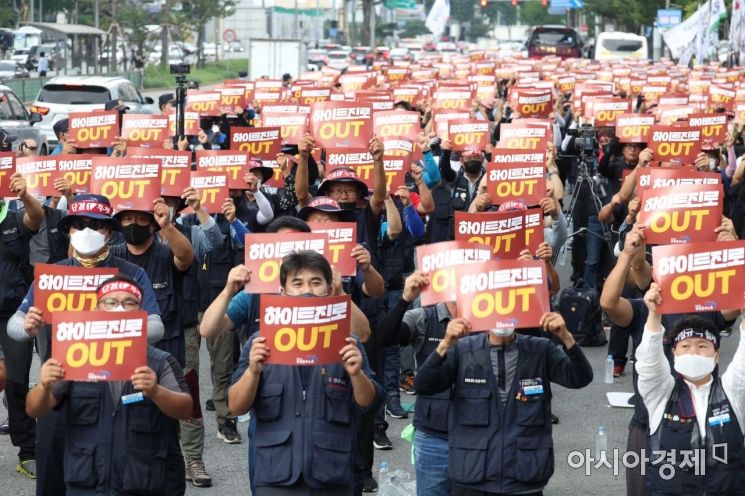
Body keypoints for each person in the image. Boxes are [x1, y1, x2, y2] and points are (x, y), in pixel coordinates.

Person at [7, 193, 165, 495]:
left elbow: (156, 326)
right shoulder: (54, 276)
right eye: (79, 225)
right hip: (60, 389)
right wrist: (27, 327)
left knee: (112, 474)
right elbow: (16, 324)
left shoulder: (132, 273)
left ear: (109, 230)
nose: (87, 232)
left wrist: (120, 324)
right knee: (52, 475)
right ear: (68, 230)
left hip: (115, 391)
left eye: (96, 225)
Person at [228, 250, 384, 495]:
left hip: (333, 475)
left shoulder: (346, 343)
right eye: (297, 283)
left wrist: (356, 375)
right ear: (283, 292)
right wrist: (253, 372)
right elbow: (235, 407)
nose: (306, 290)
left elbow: (369, 404)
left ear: (329, 290)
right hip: (275, 476)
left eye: (315, 282)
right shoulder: (260, 343)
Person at [25, 275, 192, 495]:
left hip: (144, 482)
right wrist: (43, 387)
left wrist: (156, 391)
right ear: (96, 311)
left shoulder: (160, 361)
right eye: (111, 302)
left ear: (141, 313)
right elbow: (35, 409)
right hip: (87, 483)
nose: (120, 308)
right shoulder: (75, 358)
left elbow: (185, 409)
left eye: (129, 302)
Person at [414, 312, 594, 495]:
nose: (502, 317)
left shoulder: (541, 350)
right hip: (472, 477)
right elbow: (423, 385)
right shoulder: (463, 350)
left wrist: (566, 337)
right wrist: (445, 344)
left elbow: (581, 378)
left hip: (525, 477)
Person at [637, 283, 745, 495]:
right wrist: (653, 313)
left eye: (703, 346)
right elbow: (648, 362)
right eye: (685, 346)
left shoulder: (732, 392)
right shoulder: (661, 394)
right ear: (674, 354)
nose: (693, 352)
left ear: (716, 356)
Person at [376, 270, 454, 496]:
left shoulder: (491, 319)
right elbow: (384, 337)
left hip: (480, 433)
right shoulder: (424, 317)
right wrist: (405, 299)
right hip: (434, 436)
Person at [0, 171, 44, 479]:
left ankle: (27, 450)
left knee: (16, 381)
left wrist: (25, 195)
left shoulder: (14, 215)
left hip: (11, 312)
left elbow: (37, 217)